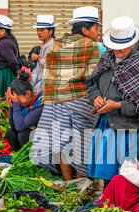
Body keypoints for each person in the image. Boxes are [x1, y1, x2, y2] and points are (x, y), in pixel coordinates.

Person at [32, 6, 103, 180]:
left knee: (63, 143)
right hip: (80, 102)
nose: (98, 32)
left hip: (57, 101)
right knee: (81, 145)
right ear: (85, 29)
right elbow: (94, 76)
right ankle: (79, 186)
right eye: (96, 28)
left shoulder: (59, 44)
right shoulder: (92, 47)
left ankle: (67, 183)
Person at [87, 16, 139, 184]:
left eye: (121, 49)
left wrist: (117, 105)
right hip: (105, 124)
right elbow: (91, 83)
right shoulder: (107, 59)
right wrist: (95, 97)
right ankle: (109, 205)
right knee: (107, 177)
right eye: (114, 48)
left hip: (127, 130)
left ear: (132, 44)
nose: (116, 52)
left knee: (126, 176)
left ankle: (122, 207)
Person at [5, 71, 43, 151]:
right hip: (35, 133)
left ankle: (33, 159)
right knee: (10, 133)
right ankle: (20, 158)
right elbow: (14, 127)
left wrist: (15, 104)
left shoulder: (40, 104)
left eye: (18, 100)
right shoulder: (25, 102)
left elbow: (20, 126)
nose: (18, 103)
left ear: (28, 94)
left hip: (46, 137)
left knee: (23, 135)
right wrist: (12, 106)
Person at [30, 15, 58, 94]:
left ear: (50, 31)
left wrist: (37, 58)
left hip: (47, 84)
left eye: (42, 30)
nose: (39, 32)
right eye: (38, 30)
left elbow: (50, 64)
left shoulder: (52, 46)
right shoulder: (42, 44)